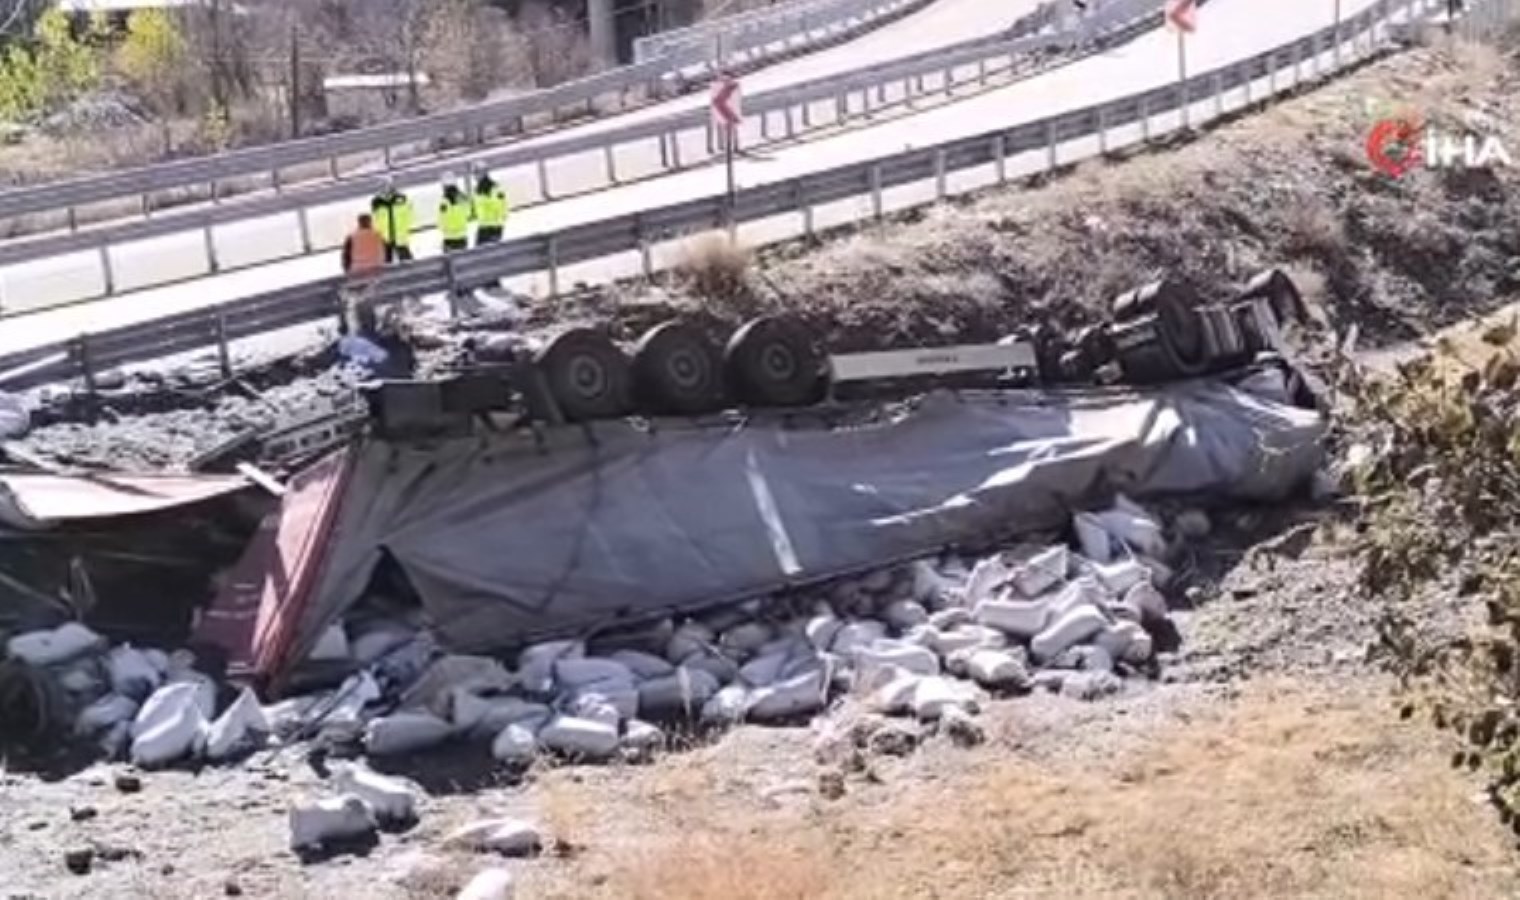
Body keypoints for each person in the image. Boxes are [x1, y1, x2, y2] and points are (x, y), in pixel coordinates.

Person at [371, 179, 414, 263]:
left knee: (408, 263)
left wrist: (406, 229)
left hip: (400, 238)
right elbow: (375, 220)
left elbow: (409, 215)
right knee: (386, 265)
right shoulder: (377, 203)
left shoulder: (401, 199)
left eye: (387, 186)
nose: (385, 189)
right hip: (385, 240)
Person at [472, 170, 510, 246]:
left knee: (479, 252)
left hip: (487, 227)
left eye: (476, 174)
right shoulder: (494, 187)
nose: (474, 177)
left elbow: (501, 204)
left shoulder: (482, 190)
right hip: (495, 226)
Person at [439, 181, 473, 253]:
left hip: (449, 238)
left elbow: (441, 220)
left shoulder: (443, 202)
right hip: (462, 236)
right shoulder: (463, 199)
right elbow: (468, 214)